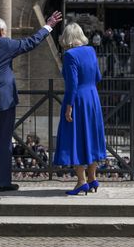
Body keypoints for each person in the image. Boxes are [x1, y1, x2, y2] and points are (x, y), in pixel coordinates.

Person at [0, 11, 62, 193]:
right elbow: (31, 42)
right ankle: (3, 183)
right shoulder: (6, 45)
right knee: (4, 143)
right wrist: (49, 26)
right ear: (1, 32)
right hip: (5, 103)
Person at [53, 22, 106, 195]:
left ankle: (81, 181)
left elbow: (72, 85)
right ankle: (93, 178)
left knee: (74, 137)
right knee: (91, 136)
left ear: (66, 38)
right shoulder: (91, 51)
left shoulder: (69, 55)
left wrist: (69, 106)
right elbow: (98, 76)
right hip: (93, 97)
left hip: (78, 99)